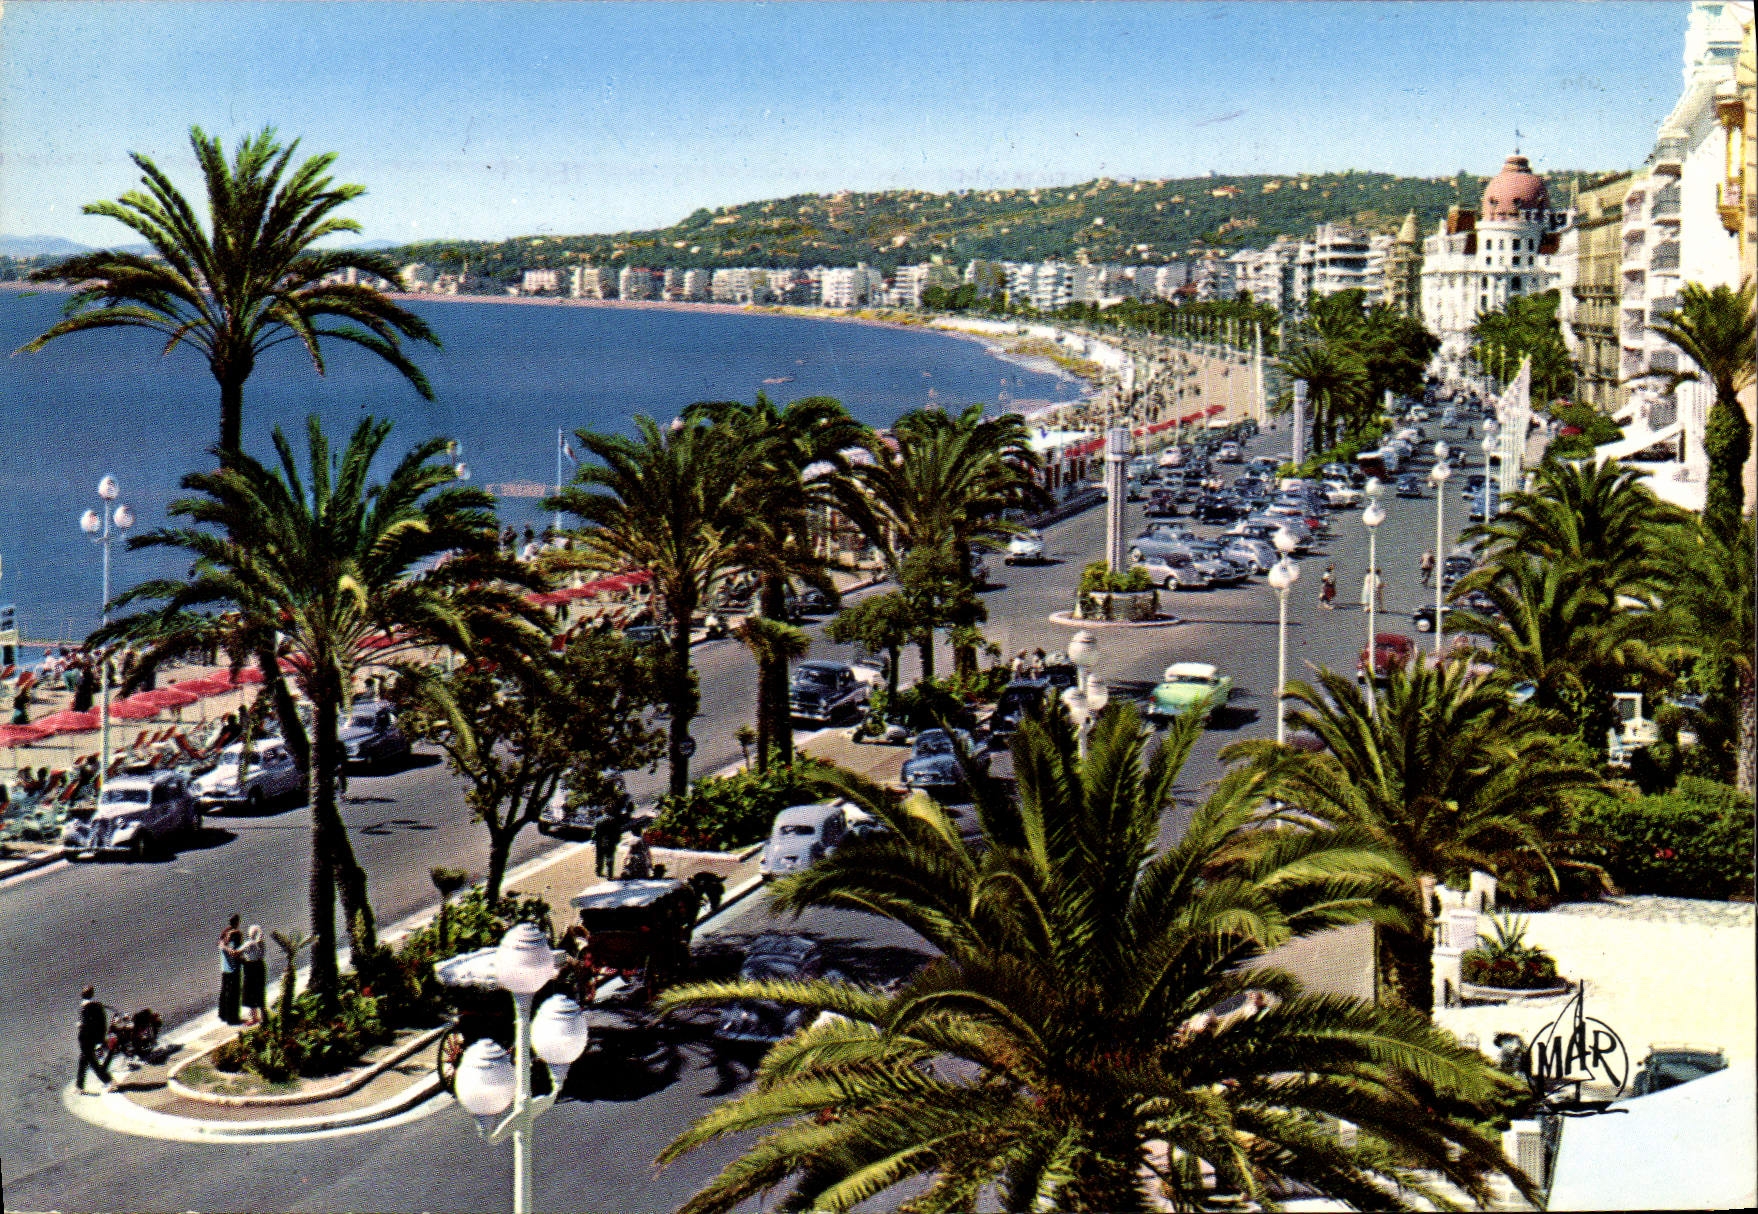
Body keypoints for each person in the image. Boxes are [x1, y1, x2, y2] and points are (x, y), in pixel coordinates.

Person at [77, 985, 113, 1093]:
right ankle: (79, 1086)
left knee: (92, 1062)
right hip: (89, 1038)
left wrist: (80, 1025)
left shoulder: (88, 1007)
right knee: (83, 1060)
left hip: (87, 1038)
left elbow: (87, 1024)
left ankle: (108, 1081)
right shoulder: (96, 1006)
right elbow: (102, 1023)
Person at [218, 915, 243, 1025]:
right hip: (233, 970)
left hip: (225, 969)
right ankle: (233, 1018)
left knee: (225, 993)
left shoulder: (223, 939)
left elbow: (222, 946)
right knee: (234, 995)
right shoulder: (235, 938)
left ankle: (223, 1015)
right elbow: (235, 954)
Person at [240, 925, 267, 1026]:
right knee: (259, 992)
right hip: (259, 968)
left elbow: (238, 953)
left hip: (251, 969)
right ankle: (262, 1015)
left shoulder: (251, 944)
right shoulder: (261, 945)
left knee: (250, 993)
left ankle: (255, 1017)